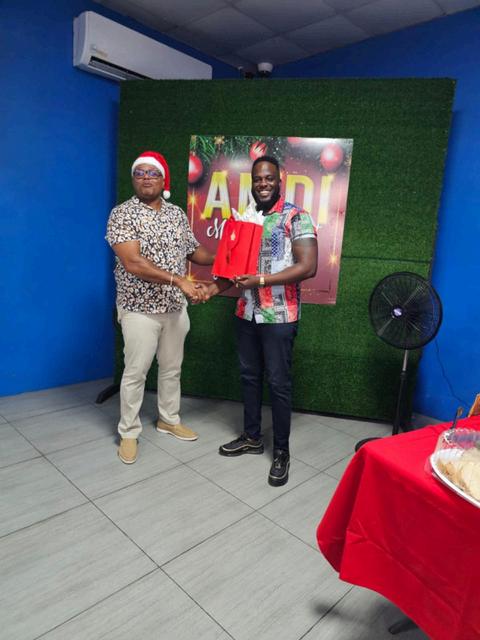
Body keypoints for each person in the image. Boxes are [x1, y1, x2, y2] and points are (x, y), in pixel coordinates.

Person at [209, 155, 318, 486]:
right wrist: (211, 289)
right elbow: (234, 267)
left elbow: (308, 266)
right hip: (247, 311)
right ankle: (252, 437)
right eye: (258, 179)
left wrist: (260, 280)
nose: (263, 184)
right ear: (252, 182)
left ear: (279, 180)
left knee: (279, 383)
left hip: (280, 315)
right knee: (249, 377)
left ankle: (282, 452)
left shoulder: (296, 216)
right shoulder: (247, 217)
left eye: (269, 178)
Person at [106, 151, 213, 464]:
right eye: (139, 173)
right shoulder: (122, 214)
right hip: (139, 309)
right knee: (135, 372)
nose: (145, 178)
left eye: (152, 173)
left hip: (174, 308)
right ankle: (128, 432)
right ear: (133, 179)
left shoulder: (176, 214)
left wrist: (226, 257)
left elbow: (194, 251)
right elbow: (133, 262)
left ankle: (168, 419)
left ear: (163, 179)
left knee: (171, 368)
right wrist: (179, 281)